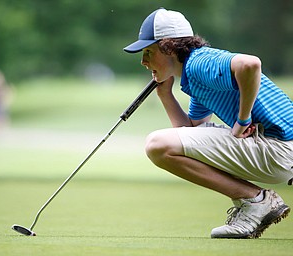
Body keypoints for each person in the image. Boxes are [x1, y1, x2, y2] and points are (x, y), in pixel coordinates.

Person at [123, 8, 293, 239]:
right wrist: (165, 95)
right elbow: (191, 133)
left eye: (149, 52)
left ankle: (256, 201)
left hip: (278, 147)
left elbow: (250, 64)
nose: (143, 61)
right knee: (161, 147)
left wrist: (243, 120)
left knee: (155, 143)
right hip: (276, 150)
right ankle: (255, 200)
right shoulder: (194, 78)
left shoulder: (199, 63)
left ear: (169, 47)